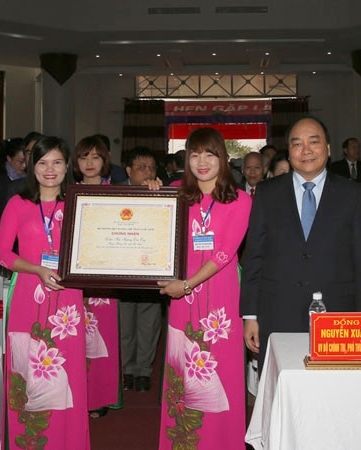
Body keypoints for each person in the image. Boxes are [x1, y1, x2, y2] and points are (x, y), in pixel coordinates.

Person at [240, 116, 361, 368]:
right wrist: (250, 315)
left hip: (337, 313)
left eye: (314, 142)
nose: (306, 150)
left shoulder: (353, 194)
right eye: (297, 144)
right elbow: (254, 256)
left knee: (334, 393)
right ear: (289, 152)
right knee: (281, 392)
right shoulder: (267, 193)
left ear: (328, 149)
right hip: (278, 311)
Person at [147, 128, 252, 450]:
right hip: (183, 297)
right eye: (194, 154)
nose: (202, 162)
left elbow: (224, 252)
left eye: (210, 154)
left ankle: (223, 442)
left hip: (219, 296)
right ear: (186, 159)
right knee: (184, 372)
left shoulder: (240, 199)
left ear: (223, 158)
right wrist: (150, 191)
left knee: (222, 371)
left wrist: (187, 284)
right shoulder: (176, 193)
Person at [0, 136, 89, 449]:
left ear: (67, 166)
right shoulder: (17, 203)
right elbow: (2, 254)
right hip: (27, 298)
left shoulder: (80, 202)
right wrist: (37, 269)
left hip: (68, 302)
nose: (50, 169)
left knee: (67, 376)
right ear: (31, 166)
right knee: (28, 374)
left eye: (57, 162)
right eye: (42, 162)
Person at [73, 135, 121, 418]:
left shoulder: (119, 192)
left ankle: (99, 398)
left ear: (105, 161)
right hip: (72, 277)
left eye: (95, 157)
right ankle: (76, 395)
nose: (89, 163)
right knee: (72, 338)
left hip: (105, 277)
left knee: (102, 340)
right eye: (83, 157)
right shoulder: (66, 192)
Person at [118, 146, 164, 392]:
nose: (147, 172)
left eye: (151, 167)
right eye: (141, 167)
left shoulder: (162, 193)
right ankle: (126, 370)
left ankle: (143, 371)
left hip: (151, 269)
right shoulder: (115, 194)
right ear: (128, 170)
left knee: (149, 324)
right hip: (122, 269)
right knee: (124, 323)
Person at [0, 134, 40, 260]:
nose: (24, 166)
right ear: (9, 158)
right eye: (20, 162)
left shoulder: (34, 180)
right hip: (6, 242)